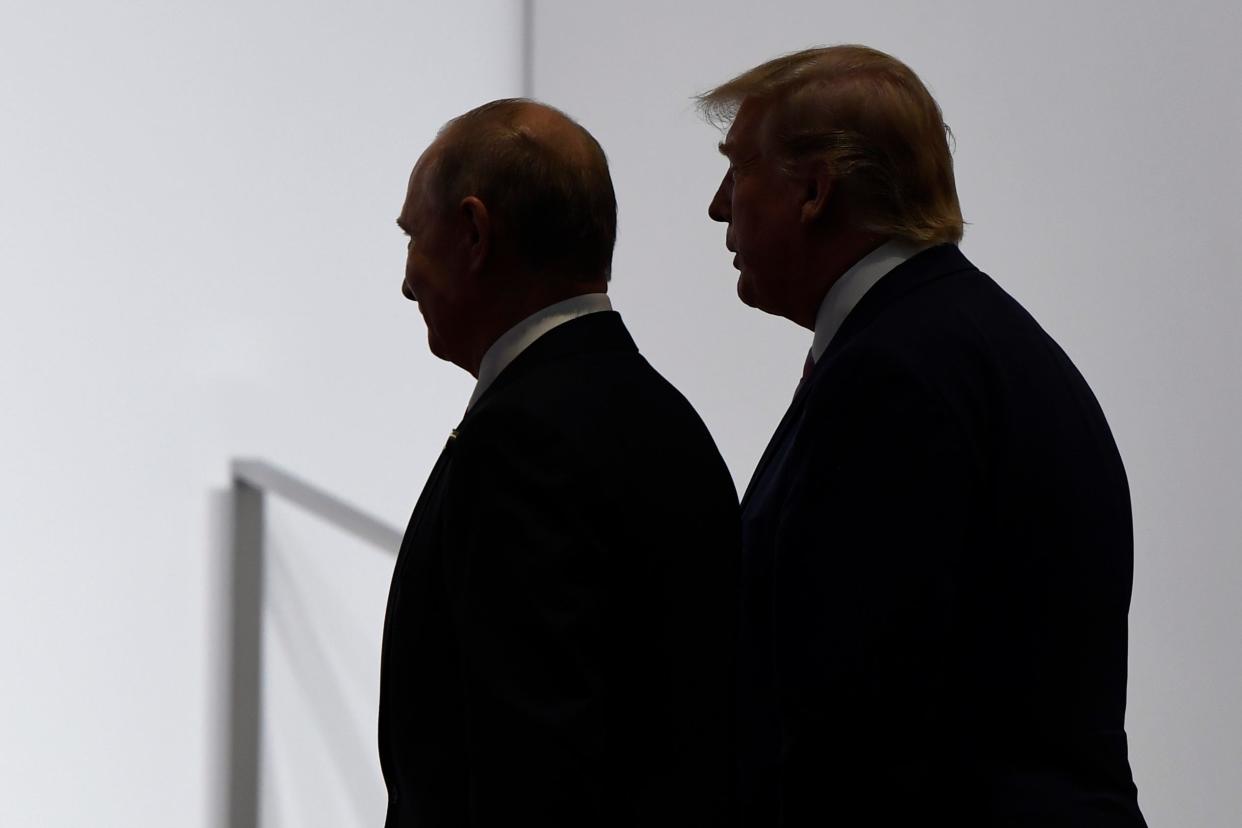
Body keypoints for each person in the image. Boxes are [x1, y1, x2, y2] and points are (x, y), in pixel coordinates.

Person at [701, 46, 1146, 826]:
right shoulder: (972, 343)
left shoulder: (896, 377)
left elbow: (856, 723)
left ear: (813, 190)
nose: (716, 205)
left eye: (737, 169)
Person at [378, 99, 739, 828]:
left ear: (474, 233)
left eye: (414, 236)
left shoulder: (520, 441)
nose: (407, 280)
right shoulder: (663, 416)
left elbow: (531, 763)